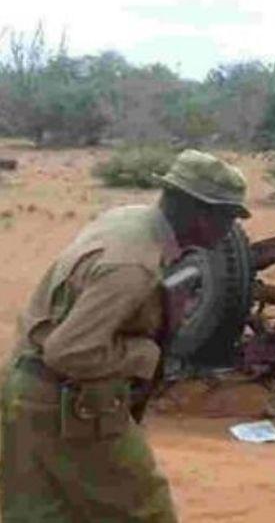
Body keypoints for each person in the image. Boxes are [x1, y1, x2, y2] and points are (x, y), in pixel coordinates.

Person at [0, 149, 250, 522]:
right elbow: (68, 352)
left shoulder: (126, 220)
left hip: (26, 389)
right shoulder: (133, 264)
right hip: (70, 404)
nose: (230, 229)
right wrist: (142, 354)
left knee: (38, 512)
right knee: (144, 509)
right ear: (200, 213)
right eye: (227, 216)